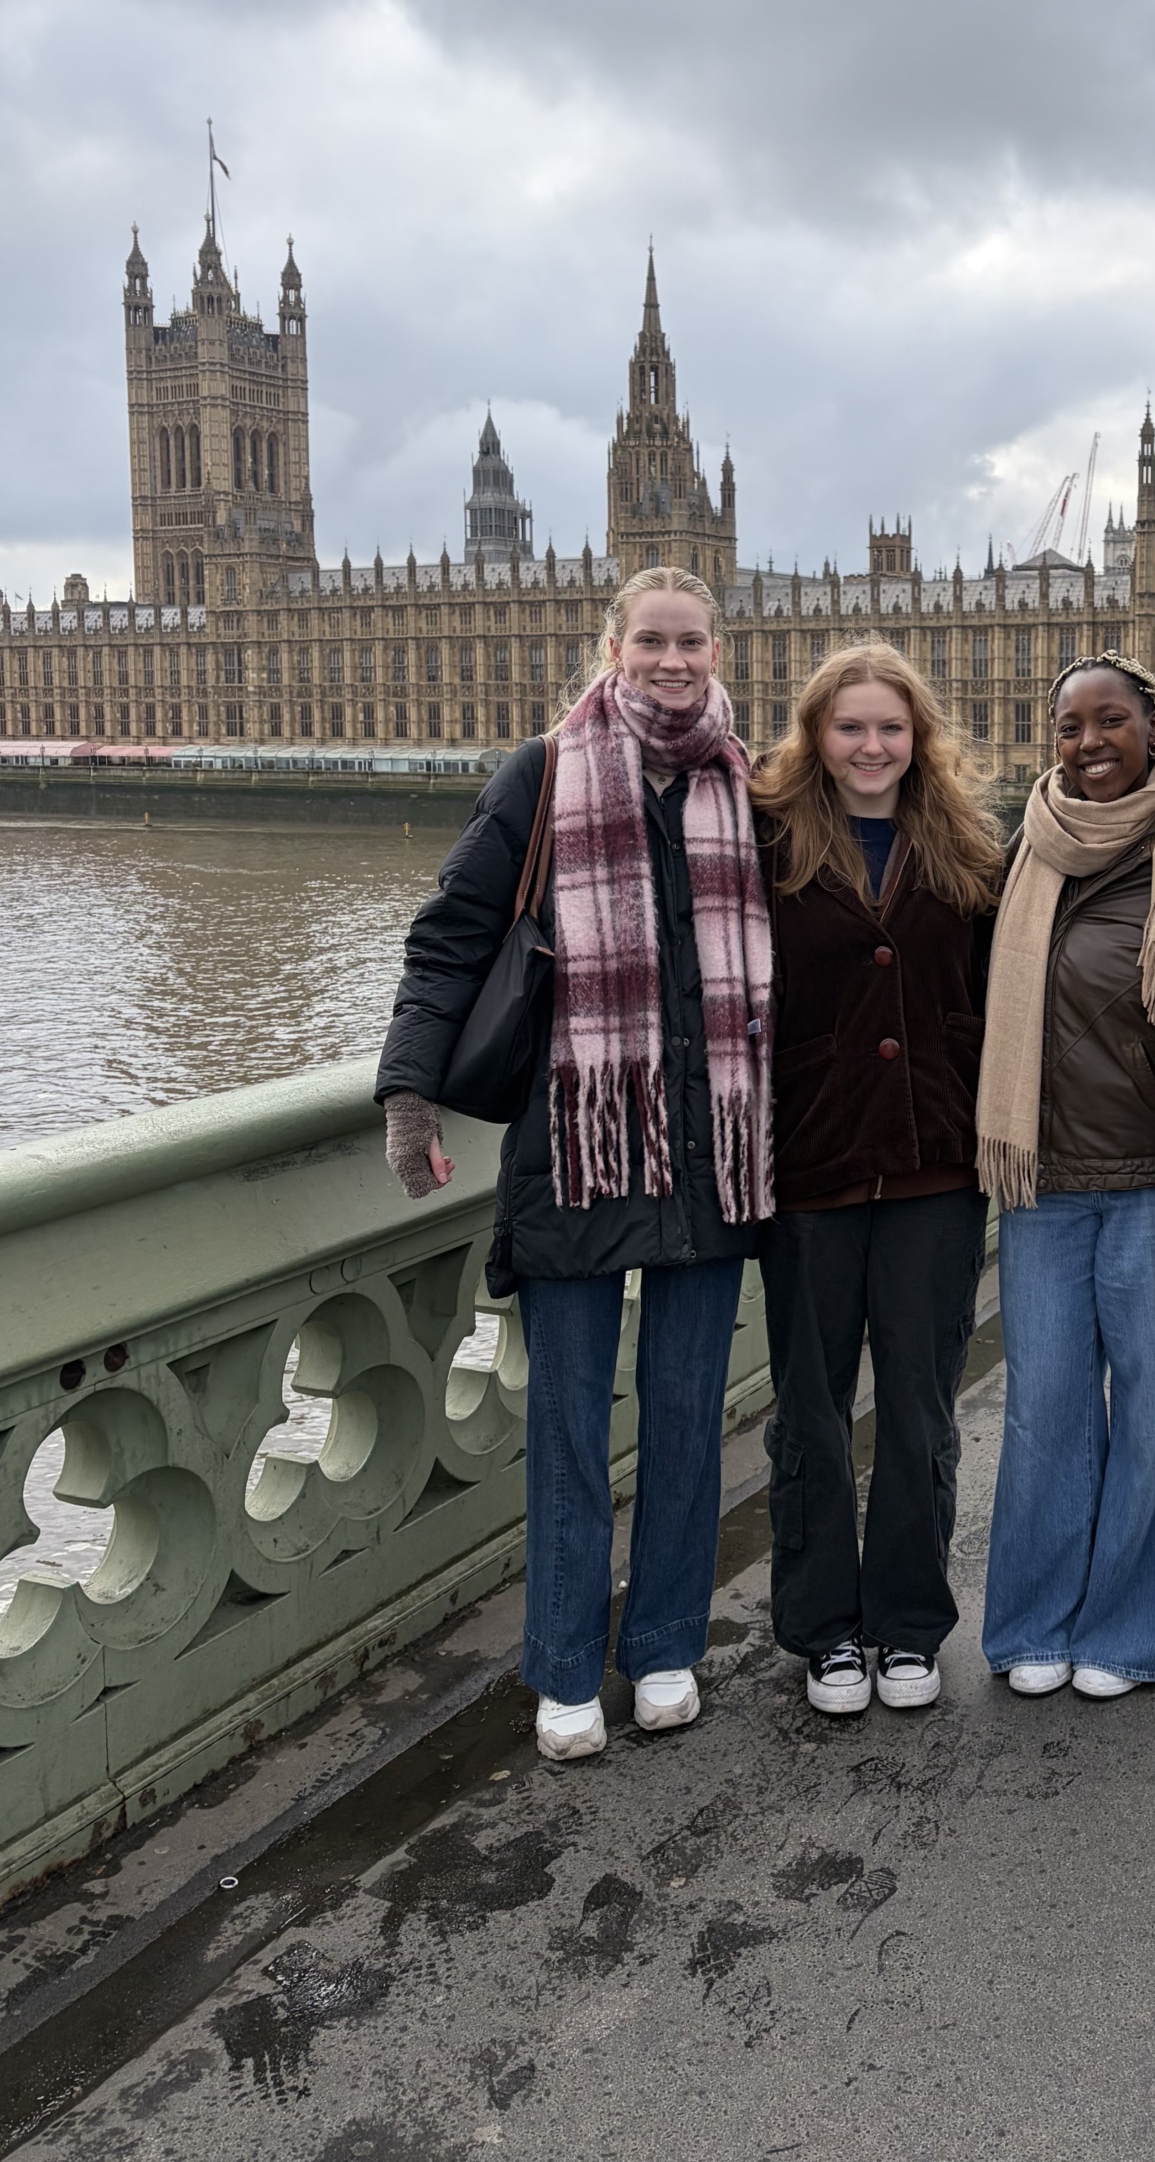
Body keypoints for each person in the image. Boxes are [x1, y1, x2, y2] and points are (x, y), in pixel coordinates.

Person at [377, 567, 772, 1762]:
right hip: (578, 1142)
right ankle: (560, 1667)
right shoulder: (543, 773)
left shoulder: (746, 784)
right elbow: (450, 933)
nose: (670, 660)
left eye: (690, 641)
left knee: (691, 1419)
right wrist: (406, 1093)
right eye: (650, 639)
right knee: (565, 1425)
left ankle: (662, 1647)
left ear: (719, 653)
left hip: (709, 1150)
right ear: (611, 646)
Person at [749, 644, 1003, 1715]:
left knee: (916, 1408)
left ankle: (906, 1625)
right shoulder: (761, 844)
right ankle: (821, 1633)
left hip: (934, 1169)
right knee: (810, 1411)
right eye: (849, 727)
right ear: (815, 735)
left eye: (889, 727)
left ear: (919, 736)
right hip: (809, 1164)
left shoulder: (970, 845)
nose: (870, 746)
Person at [978, 654, 1155, 1705]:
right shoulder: (1020, 849)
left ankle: (1132, 1629)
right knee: (1044, 1407)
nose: (1087, 743)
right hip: (1041, 1175)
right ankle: (1033, 1620)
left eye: (1109, 721)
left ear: (1154, 728)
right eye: (1070, 725)